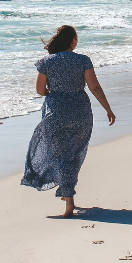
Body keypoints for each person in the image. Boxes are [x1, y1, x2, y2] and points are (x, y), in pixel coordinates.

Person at [20, 25, 115, 217]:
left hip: (56, 113)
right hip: (81, 112)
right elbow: (94, 86)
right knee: (75, 152)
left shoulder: (46, 62)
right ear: (72, 41)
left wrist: (55, 94)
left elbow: (39, 90)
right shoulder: (83, 60)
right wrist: (108, 109)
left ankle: (68, 198)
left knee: (61, 154)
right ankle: (66, 190)